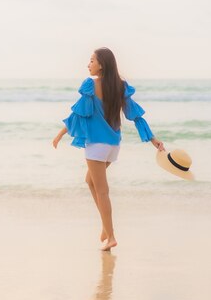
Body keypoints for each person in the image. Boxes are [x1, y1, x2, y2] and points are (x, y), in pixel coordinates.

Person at [52, 47, 165, 251]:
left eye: (92, 60)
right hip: (113, 145)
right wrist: (153, 140)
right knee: (90, 181)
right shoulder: (120, 86)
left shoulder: (90, 85)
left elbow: (78, 115)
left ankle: (111, 235)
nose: (88, 64)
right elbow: (136, 116)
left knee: (102, 191)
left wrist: (61, 133)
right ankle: (106, 227)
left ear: (101, 64)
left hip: (96, 145)